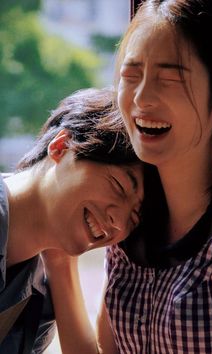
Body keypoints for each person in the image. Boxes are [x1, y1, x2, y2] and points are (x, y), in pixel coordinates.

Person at [44, 0, 212, 353]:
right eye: (130, 77)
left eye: (170, 78)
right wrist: (58, 259)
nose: (142, 98)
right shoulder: (130, 222)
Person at [0, 87, 144, 353]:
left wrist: (61, 265)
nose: (119, 223)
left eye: (134, 218)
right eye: (119, 186)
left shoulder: (38, 296)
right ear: (61, 146)